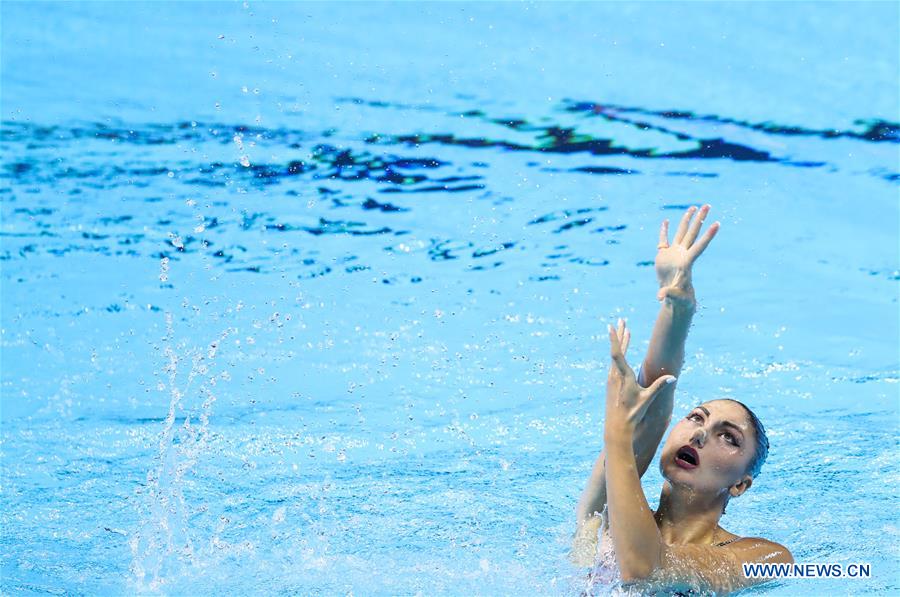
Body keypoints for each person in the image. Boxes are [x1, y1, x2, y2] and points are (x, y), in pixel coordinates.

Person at [571, 205, 793, 594]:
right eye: (696, 417)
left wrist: (618, 437)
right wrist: (678, 305)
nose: (701, 435)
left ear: (741, 485)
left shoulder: (765, 557)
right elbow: (655, 390)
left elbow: (646, 568)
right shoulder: (603, 520)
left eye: (729, 437)